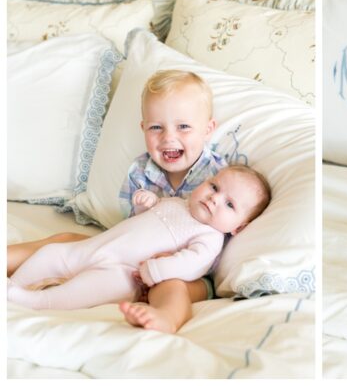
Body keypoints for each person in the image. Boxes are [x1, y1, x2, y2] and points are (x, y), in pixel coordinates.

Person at [7, 70, 225, 332]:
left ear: (208, 129)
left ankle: (166, 317)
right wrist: (143, 208)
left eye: (184, 127)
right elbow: (132, 227)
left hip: (189, 268)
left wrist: (175, 260)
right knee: (66, 240)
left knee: (171, 285)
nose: (168, 137)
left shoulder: (218, 178)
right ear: (143, 128)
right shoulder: (141, 169)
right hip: (130, 254)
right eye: (157, 127)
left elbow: (226, 223)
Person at [8, 165, 271, 311]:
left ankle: (36, 302)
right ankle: (16, 283)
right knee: (52, 253)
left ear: (237, 228)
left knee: (85, 289)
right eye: (214, 186)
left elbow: (192, 264)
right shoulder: (178, 203)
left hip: (126, 272)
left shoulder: (210, 237)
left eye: (229, 204)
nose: (215, 198)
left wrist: (154, 271)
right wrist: (148, 205)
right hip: (98, 247)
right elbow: (138, 225)